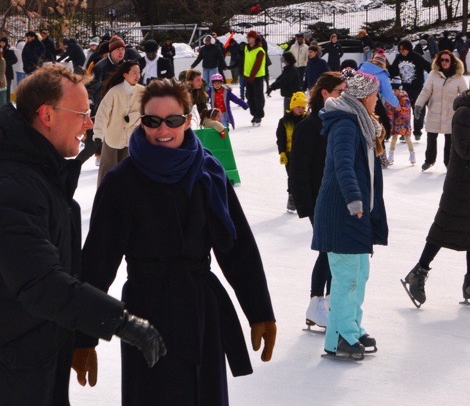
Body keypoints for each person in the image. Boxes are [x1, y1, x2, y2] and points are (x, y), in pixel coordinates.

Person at [77, 78, 276, 403]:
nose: (163, 129)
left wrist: (259, 310)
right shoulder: (122, 182)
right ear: (142, 121)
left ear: (187, 119)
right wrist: (83, 336)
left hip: (201, 312)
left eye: (173, 120)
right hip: (144, 317)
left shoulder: (209, 172)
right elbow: (98, 263)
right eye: (153, 121)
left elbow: (238, 248)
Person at [0, 65, 165, 406]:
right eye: (83, 113)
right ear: (46, 115)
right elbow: (39, 281)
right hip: (12, 368)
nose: (90, 124)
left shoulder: (41, 171)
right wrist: (120, 321)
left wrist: (77, 337)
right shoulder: (13, 184)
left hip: (34, 356)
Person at [402, 66, 470, 308]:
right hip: (462, 183)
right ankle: (418, 273)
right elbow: (464, 149)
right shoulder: (464, 113)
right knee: (445, 227)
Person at [311, 69, 388, 360]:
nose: (377, 101)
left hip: (356, 213)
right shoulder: (346, 123)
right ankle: (341, 336)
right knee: (346, 277)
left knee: (359, 274)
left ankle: (350, 329)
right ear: (364, 96)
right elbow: (342, 164)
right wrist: (355, 199)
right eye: (375, 95)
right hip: (342, 211)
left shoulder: (361, 122)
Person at [289, 71, 346, 332]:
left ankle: (329, 303)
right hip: (318, 200)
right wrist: (306, 206)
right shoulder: (308, 127)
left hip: (338, 198)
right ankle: (316, 302)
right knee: (330, 249)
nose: (343, 96)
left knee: (335, 250)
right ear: (325, 94)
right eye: (339, 92)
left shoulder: (339, 121)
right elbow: (298, 169)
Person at [414, 49, 468, 171]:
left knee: (450, 141)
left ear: (452, 62)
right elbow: (426, 91)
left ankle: (448, 163)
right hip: (435, 112)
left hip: (450, 114)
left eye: (447, 60)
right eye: (442, 60)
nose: (444, 62)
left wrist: (468, 109)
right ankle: (429, 160)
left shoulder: (458, 77)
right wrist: (418, 105)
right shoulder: (433, 74)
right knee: (431, 139)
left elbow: (465, 94)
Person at [93, 58, 144, 186]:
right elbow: (102, 114)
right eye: (134, 73)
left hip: (131, 138)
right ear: (125, 74)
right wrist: (98, 135)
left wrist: (133, 117)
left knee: (127, 172)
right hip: (112, 137)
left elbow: (146, 112)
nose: (138, 76)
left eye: (139, 73)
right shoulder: (115, 92)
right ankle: (103, 196)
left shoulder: (143, 91)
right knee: (107, 171)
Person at [276, 90, 307, 213]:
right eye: (298, 106)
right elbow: (280, 138)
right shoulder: (284, 121)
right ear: (293, 106)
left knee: (306, 176)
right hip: (290, 154)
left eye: (303, 107)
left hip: (305, 153)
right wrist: (282, 152)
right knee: (293, 177)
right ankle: (292, 200)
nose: (300, 109)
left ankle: (305, 200)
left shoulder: (306, 119)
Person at [243, 30, 268, 126]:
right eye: (248, 37)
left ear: (255, 38)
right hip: (247, 76)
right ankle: (254, 113)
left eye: (250, 37)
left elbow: (257, 65)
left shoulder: (260, 50)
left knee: (258, 97)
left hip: (256, 77)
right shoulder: (246, 48)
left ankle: (259, 115)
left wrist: (251, 77)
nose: (248, 39)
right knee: (249, 96)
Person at [385, 87, 415, 165]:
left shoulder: (405, 99)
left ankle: (412, 154)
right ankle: (390, 156)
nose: (394, 92)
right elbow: (388, 108)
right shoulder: (391, 98)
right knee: (394, 138)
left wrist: (400, 109)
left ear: (399, 90)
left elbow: (407, 109)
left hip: (404, 121)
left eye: (396, 90)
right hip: (396, 121)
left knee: (407, 138)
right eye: (393, 90)